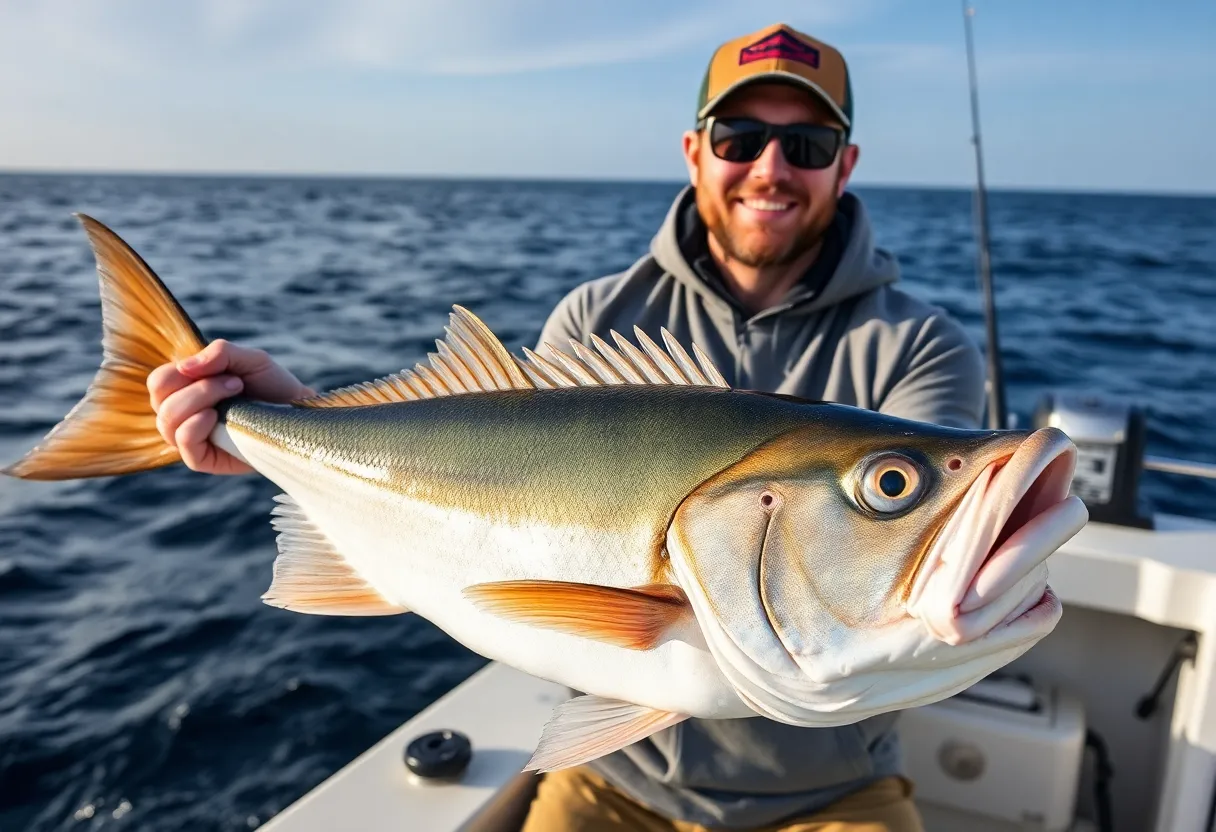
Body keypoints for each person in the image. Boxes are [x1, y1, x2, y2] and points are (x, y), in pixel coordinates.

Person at [147, 22, 985, 832]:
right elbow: (494, 527)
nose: (770, 168)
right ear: (695, 152)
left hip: (830, 796)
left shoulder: (921, 347)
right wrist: (289, 426)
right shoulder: (596, 316)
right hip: (614, 782)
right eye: (739, 137)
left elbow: (906, 571)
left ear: (845, 165)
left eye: (805, 145)